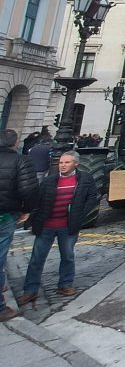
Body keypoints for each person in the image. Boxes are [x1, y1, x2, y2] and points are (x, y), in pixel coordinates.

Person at [16, 151, 98, 305]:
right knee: (37, 259)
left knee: (67, 256)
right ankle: (30, 290)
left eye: (67, 162)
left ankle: (65, 284)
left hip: (68, 225)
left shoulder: (85, 179)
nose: (63, 165)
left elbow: (92, 197)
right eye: (61, 162)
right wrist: (31, 217)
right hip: (46, 225)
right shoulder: (49, 180)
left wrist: (81, 214)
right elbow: (38, 200)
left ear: (76, 164)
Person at [1, 129, 39, 322]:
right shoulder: (20, 161)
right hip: (6, 215)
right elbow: (28, 189)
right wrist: (27, 210)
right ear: (15, 143)